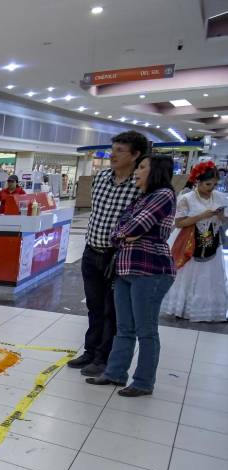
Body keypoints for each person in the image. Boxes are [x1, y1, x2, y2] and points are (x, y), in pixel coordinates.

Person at [87, 155, 176, 397]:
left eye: (143, 167)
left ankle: (144, 382)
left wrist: (127, 233)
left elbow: (134, 227)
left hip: (150, 271)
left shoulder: (164, 195)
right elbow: (118, 231)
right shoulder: (141, 198)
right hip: (125, 268)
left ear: (155, 171)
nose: (137, 171)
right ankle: (115, 372)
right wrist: (125, 234)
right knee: (124, 326)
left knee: (146, 330)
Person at [69, 131, 148, 376]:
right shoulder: (101, 177)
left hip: (117, 258)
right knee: (93, 306)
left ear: (135, 155)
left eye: (120, 151)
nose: (113, 155)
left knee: (111, 310)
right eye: (113, 149)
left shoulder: (140, 186)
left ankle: (104, 358)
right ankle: (90, 351)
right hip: (91, 251)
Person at [161, 161, 228, 322]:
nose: (211, 187)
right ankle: (181, 308)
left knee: (209, 277)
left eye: (214, 184)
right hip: (189, 242)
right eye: (207, 184)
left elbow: (225, 220)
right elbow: (178, 223)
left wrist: (220, 217)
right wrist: (201, 216)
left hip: (211, 242)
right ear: (198, 181)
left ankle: (206, 311)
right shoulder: (186, 198)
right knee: (186, 275)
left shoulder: (220, 197)